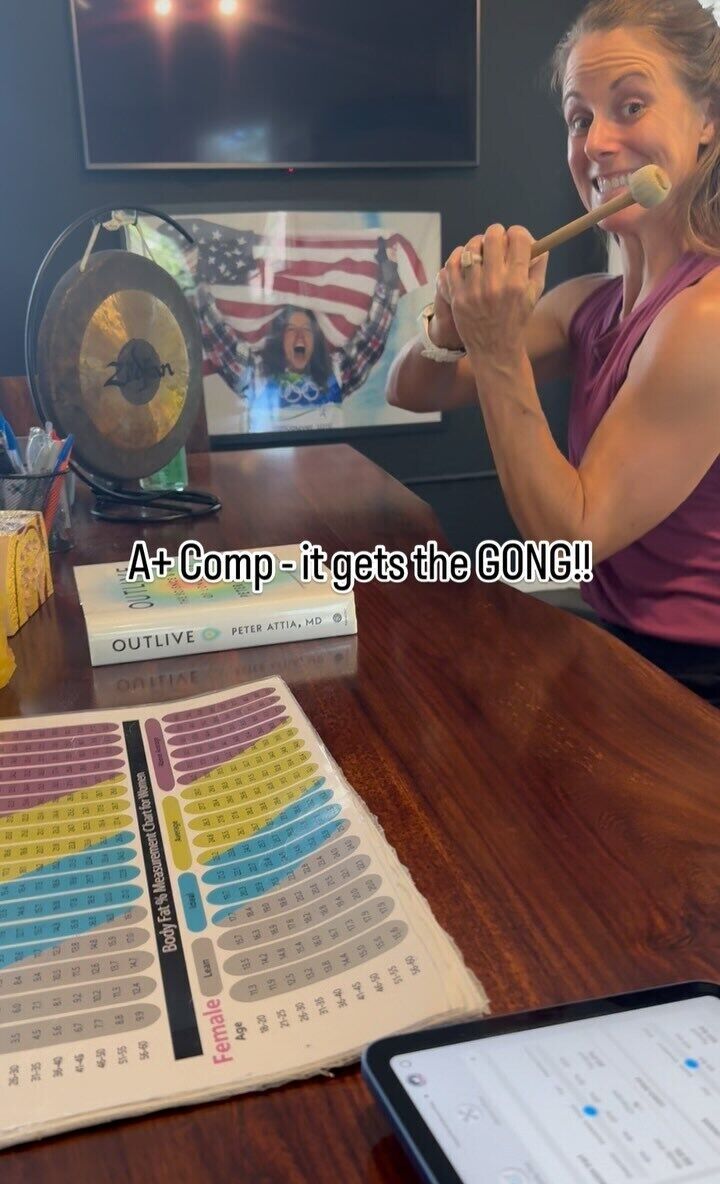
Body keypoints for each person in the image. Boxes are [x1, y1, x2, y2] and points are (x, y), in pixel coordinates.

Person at [387, 0, 720, 705]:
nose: (596, 142)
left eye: (631, 107)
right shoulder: (587, 304)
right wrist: (451, 322)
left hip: (696, 689)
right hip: (617, 646)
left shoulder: (708, 315)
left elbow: (571, 537)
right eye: (579, 118)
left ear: (708, 118)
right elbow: (411, 390)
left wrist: (496, 346)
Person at [196, 237, 402, 431]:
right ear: (279, 339)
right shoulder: (255, 374)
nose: (300, 337)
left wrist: (389, 280)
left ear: (316, 340)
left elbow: (373, 339)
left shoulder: (337, 373)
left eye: (307, 330)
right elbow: (218, 340)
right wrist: (195, 283)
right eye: (291, 330)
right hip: (271, 458)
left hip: (325, 457)